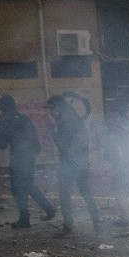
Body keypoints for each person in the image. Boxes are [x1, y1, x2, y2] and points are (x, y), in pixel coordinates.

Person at [0, 94, 55, 229]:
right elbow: (36, 142)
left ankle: (25, 218)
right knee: (28, 186)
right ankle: (48, 209)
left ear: (2, 107)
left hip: (17, 159)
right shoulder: (24, 118)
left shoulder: (4, 121)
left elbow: (1, 145)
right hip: (29, 158)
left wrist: (0, 135)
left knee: (17, 189)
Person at [48, 92, 101, 236]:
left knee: (64, 194)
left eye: (51, 109)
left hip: (69, 163)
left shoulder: (64, 122)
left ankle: (68, 224)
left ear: (57, 108)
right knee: (85, 191)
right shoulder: (73, 118)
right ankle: (96, 221)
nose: (50, 113)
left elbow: (62, 145)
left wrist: (52, 132)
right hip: (81, 162)